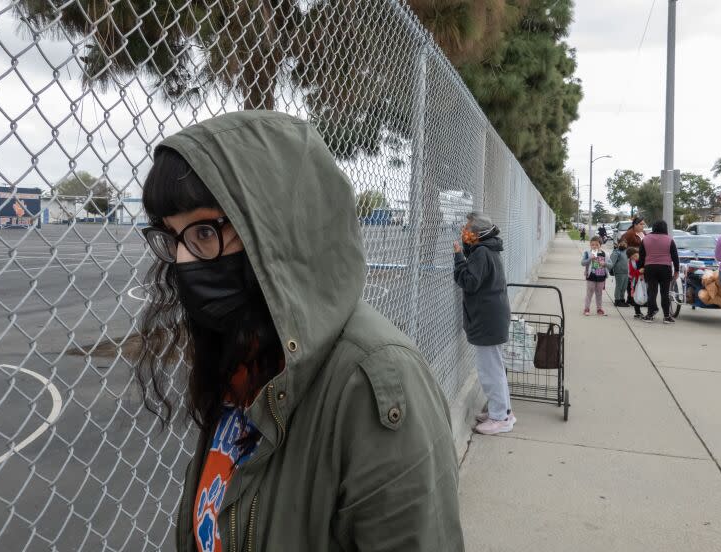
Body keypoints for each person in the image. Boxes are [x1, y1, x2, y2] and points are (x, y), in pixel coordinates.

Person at [136, 112, 463, 551]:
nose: (182, 262)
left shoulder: (377, 382)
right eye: (171, 237)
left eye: (202, 232)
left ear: (278, 230)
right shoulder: (245, 358)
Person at [453, 212, 515, 435]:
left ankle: (500, 418)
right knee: (495, 368)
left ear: (479, 233)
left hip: (488, 320)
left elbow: (469, 282)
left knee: (490, 371)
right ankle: (504, 411)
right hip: (493, 317)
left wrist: (459, 257)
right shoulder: (487, 250)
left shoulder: (481, 252)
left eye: (469, 228)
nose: (465, 231)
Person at [639, 220, 679, 324]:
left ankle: (649, 315)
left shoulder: (645, 239)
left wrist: (641, 269)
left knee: (652, 292)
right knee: (664, 293)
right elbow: (675, 256)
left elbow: (641, 256)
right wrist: (677, 270)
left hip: (650, 268)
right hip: (665, 268)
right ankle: (666, 316)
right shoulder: (669, 240)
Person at [581, 236, 613, 316]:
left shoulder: (605, 254)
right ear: (590, 245)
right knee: (589, 293)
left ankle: (599, 308)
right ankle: (586, 308)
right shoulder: (587, 253)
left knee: (599, 293)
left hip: (601, 277)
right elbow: (582, 263)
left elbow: (611, 265)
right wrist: (589, 259)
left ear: (600, 245)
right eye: (592, 245)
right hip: (591, 276)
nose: (594, 246)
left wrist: (604, 264)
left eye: (596, 245)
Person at [610, 240, 630, 307]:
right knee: (619, 286)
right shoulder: (616, 252)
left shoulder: (626, 252)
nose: (623, 245)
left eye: (624, 244)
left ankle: (622, 299)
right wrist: (610, 270)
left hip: (626, 272)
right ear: (618, 244)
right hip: (619, 272)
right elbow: (611, 262)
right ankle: (617, 300)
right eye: (621, 244)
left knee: (624, 287)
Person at [627, 246, 644, 318]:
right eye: (632, 257)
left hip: (644, 281)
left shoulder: (642, 260)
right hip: (636, 281)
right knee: (636, 296)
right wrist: (638, 272)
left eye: (636, 255)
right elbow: (631, 273)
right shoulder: (631, 263)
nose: (635, 258)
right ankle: (637, 312)